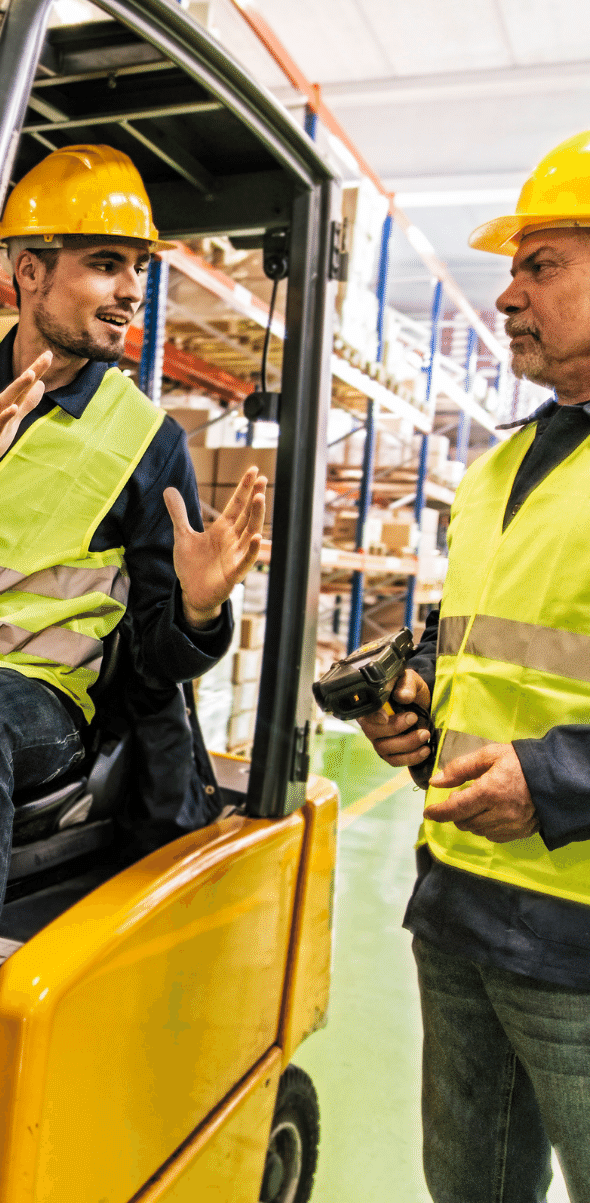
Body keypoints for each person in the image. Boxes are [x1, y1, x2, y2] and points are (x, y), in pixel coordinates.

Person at [0, 145, 267, 1200]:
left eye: (138, 267)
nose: (130, 290)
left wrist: (204, 607)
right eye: (102, 263)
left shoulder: (148, 441)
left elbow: (156, 654)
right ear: (27, 274)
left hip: (37, 708)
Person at [358, 130, 590, 1203]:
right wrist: (409, 712)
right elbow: (485, 643)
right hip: (457, 900)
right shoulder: (504, 462)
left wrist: (548, 783)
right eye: (511, 272)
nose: (510, 297)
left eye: (541, 266)